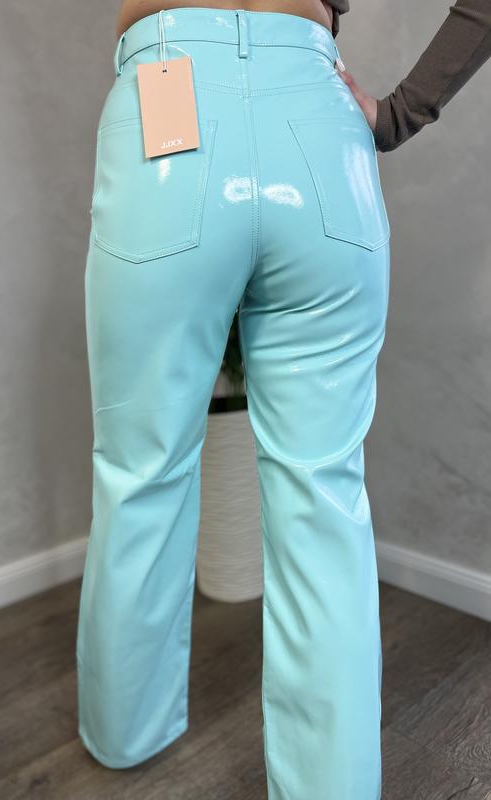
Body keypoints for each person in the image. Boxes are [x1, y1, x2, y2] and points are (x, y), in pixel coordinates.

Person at [75, 3, 491, 799]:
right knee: (323, 494)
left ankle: (125, 732)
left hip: (167, 96)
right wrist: (399, 114)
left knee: (140, 471)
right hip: (320, 123)